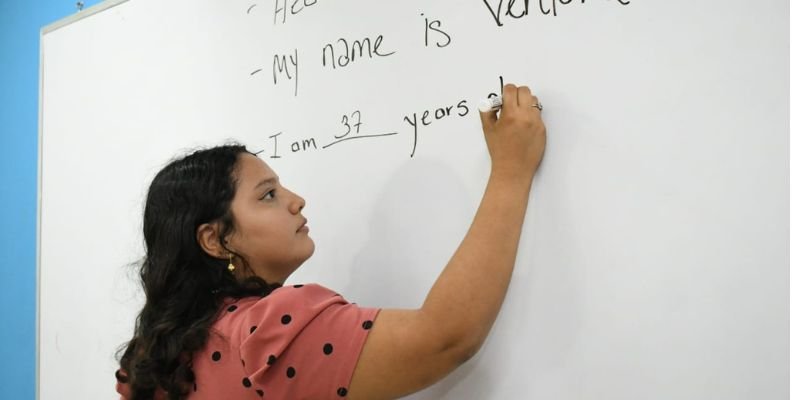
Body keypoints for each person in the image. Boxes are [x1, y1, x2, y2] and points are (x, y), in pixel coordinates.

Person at [115, 83, 547, 399]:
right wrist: (511, 171)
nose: (296, 201)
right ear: (215, 239)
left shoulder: (151, 360)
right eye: (267, 194)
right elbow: (445, 337)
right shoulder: (263, 333)